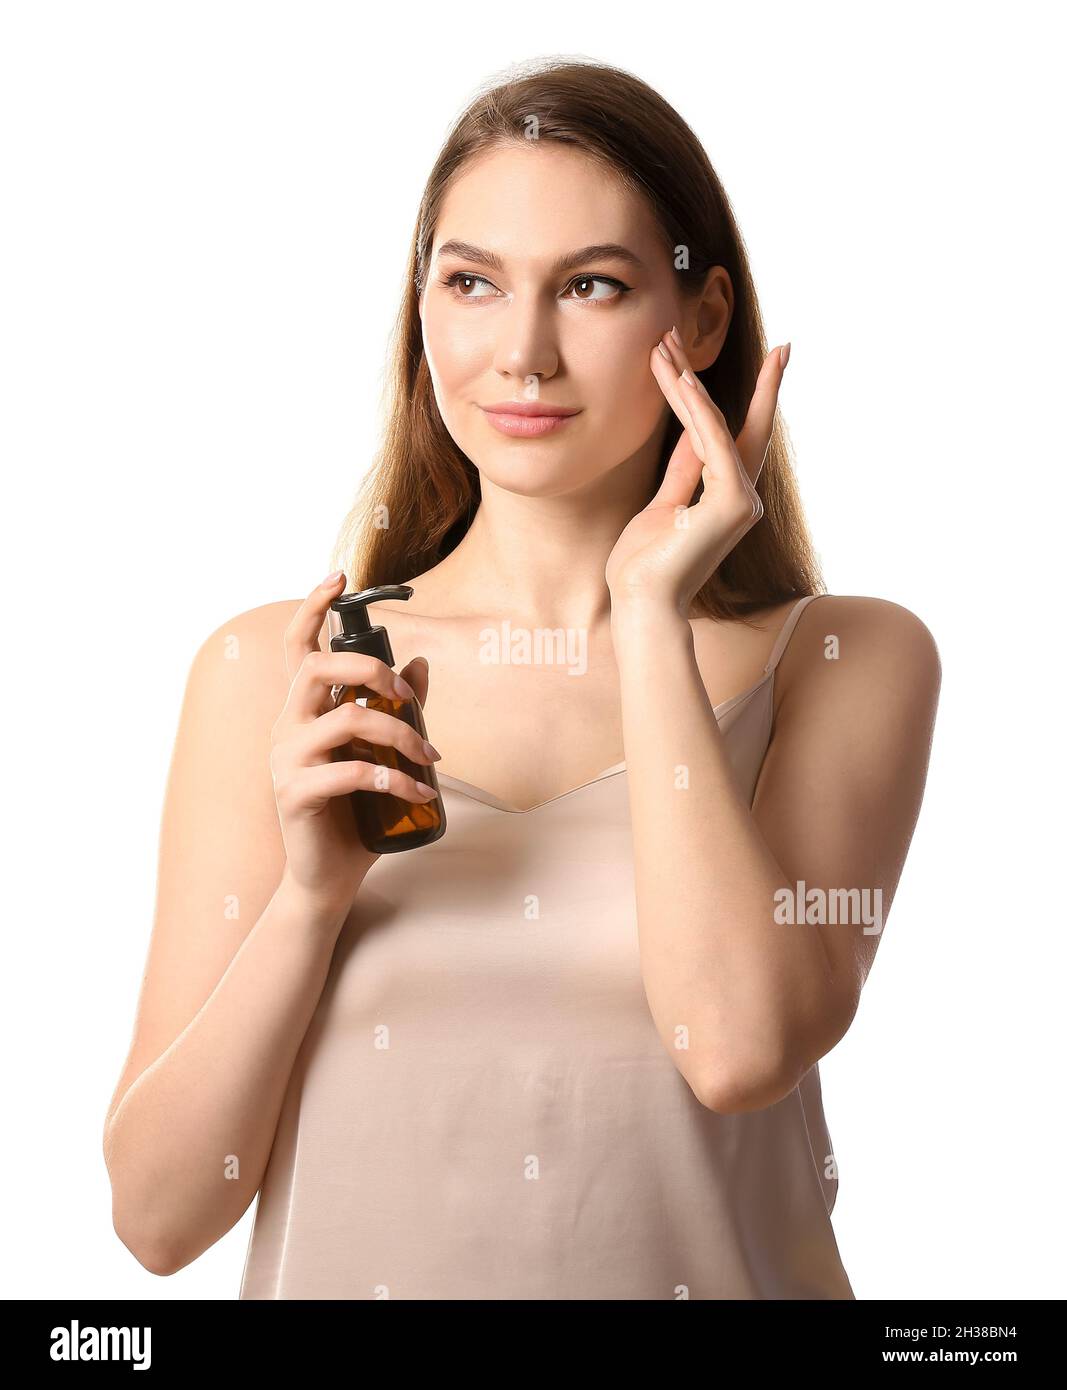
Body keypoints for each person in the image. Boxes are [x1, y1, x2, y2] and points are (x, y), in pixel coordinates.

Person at [103, 57, 941, 1300]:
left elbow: (736, 1047)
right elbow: (158, 1220)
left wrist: (650, 612)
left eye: (591, 286)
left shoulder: (843, 658)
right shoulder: (278, 672)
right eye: (472, 283)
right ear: (422, 309)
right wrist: (310, 901)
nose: (523, 354)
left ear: (699, 320)